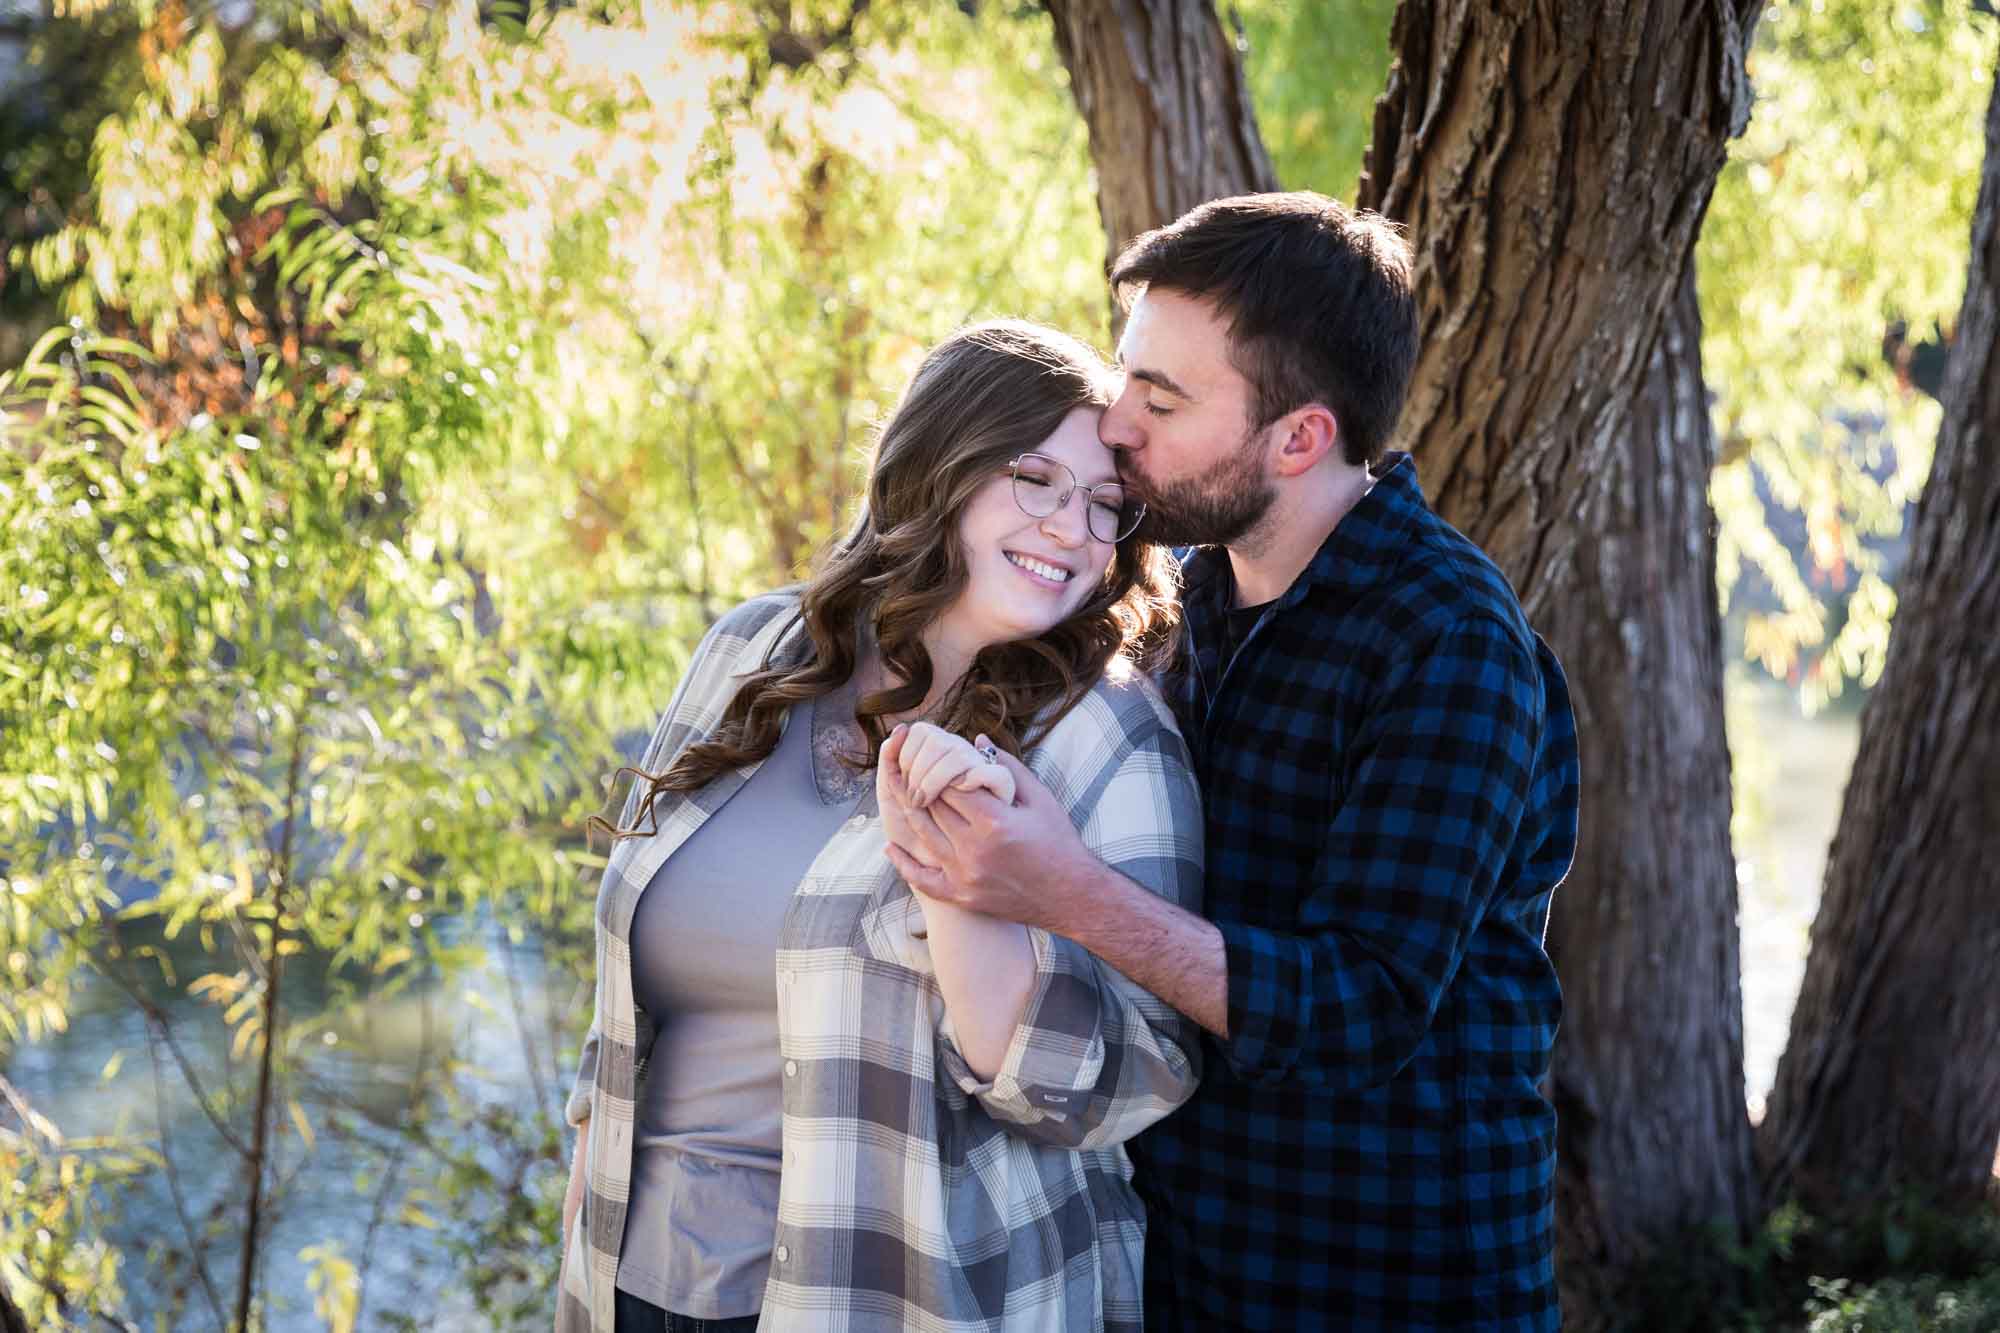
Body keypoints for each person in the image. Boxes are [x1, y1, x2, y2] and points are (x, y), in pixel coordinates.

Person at [880, 193, 1582, 1331]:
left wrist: (1057, 889)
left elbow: (1358, 1008)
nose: (1116, 426)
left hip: (1390, 1282)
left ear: (1297, 436)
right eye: (1125, 378)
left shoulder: (1447, 645)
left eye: (1160, 399)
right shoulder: (1183, 602)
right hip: (1191, 1266)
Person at [557, 320, 1205, 1333]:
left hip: (906, 1297)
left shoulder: (1101, 734)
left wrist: (960, 881)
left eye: (1103, 506)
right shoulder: (752, 648)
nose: (1072, 529)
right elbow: (622, 1019)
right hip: (635, 1277)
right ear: (934, 466)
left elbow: (1119, 1087)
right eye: (1033, 479)